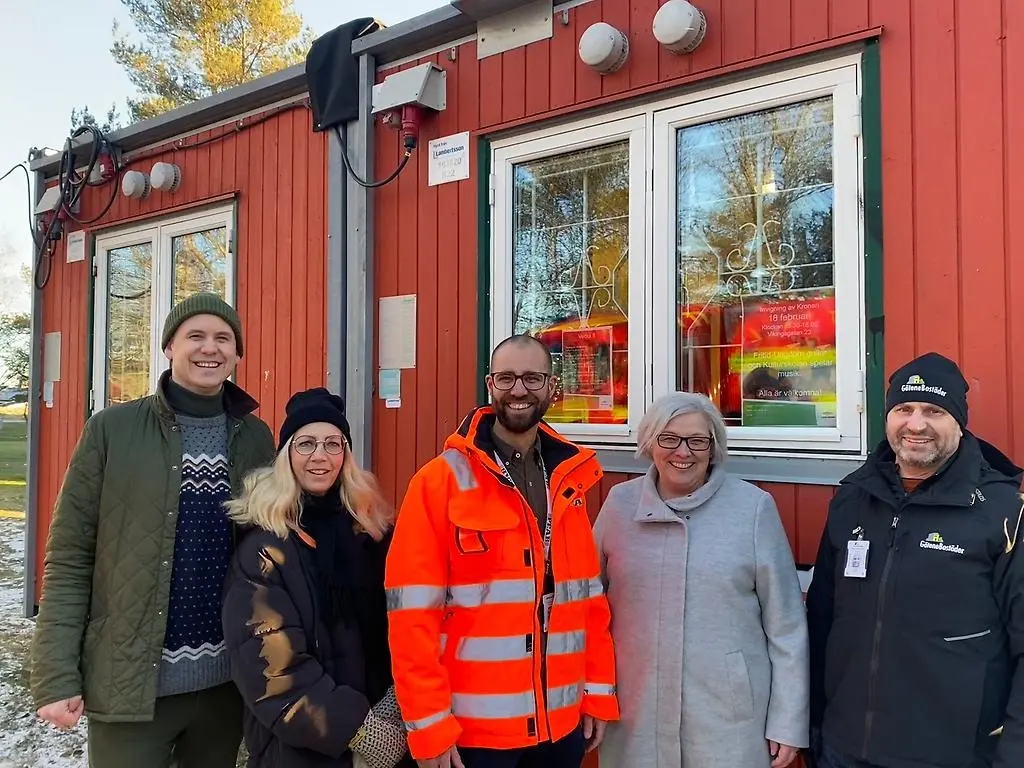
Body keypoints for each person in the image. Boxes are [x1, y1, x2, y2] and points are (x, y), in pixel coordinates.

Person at [30, 292, 276, 768]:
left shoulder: (255, 437)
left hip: (226, 685)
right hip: (132, 684)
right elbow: (70, 556)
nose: (211, 348)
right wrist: (57, 675)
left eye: (223, 338)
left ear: (237, 353)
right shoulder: (111, 430)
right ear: (169, 347)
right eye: (196, 336)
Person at [385, 334, 619, 768]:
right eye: (507, 377)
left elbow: (587, 601)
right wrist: (429, 724)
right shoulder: (438, 483)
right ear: (489, 384)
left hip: (560, 728)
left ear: (552, 387)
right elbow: (411, 616)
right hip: (474, 734)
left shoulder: (569, 480)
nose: (518, 390)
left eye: (532, 378)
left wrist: (598, 692)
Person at [806, 352, 1024, 768]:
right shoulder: (853, 499)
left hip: (951, 755)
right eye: (903, 408)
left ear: (959, 423)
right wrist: (813, 725)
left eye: (934, 411)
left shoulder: (1004, 512)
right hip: (843, 748)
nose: (916, 424)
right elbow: (822, 621)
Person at [593, 391, 809, 768]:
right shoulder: (618, 506)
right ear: (649, 443)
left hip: (728, 720)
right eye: (669, 438)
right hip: (634, 711)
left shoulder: (752, 509)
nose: (683, 452)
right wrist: (591, 693)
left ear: (713, 448)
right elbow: (586, 606)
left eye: (697, 441)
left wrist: (788, 721)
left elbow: (786, 625)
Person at [221, 388, 412, 768]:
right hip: (303, 750)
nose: (320, 457)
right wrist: (360, 731)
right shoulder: (265, 549)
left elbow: (408, 623)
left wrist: (396, 705)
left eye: (332, 444)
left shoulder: (371, 533)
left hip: (391, 735)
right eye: (306, 443)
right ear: (286, 455)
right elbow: (273, 671)